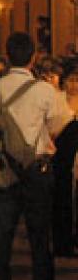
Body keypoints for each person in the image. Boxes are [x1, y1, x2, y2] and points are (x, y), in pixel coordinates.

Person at [0, 33, 64, 280]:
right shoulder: (44, 91)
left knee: (2, 237)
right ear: (33, 57)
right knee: (40, 238)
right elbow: (58, 122)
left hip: (4, 169)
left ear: (6, 55)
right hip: (37, 169)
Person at [52, 62, 78, 256]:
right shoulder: (56, 100)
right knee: (62, 200)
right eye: (71, 80)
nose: (74, 85)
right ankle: (63, 242)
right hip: (61, 160)